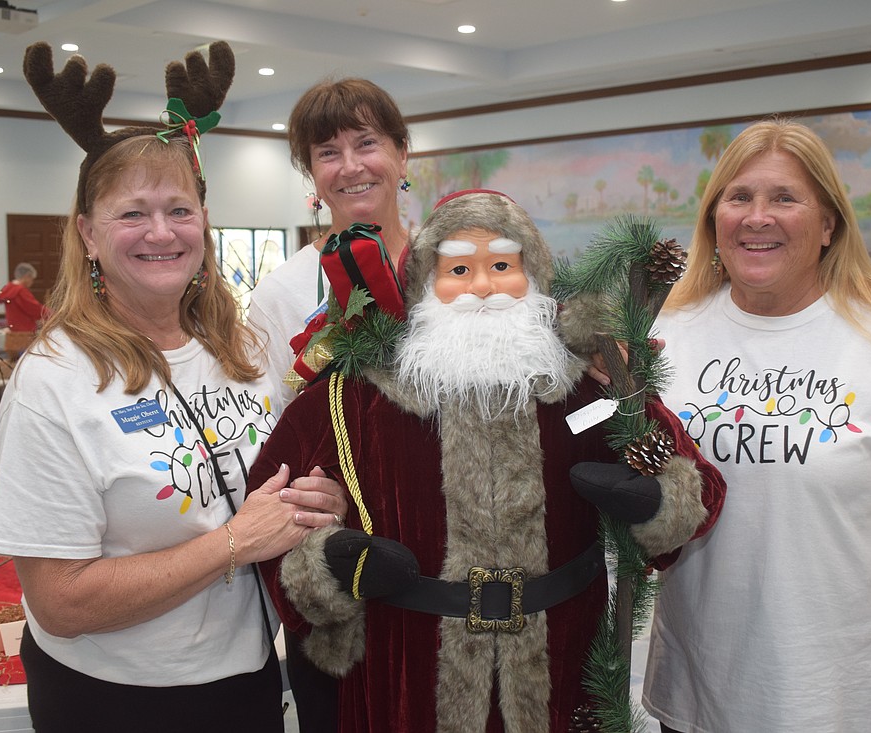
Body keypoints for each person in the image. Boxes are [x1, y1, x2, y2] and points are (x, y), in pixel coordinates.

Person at [248, 190, 726, 732]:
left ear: (535, 277)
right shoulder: (354, 397)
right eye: (458, 268)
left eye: (502, 265)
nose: (481, 287)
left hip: (563, 668)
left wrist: (657, 498)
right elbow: (270, 503)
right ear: (425, 283)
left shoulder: (586, 384)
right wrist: (330, 561)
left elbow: (698, 488)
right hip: (409, 672)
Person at [0, 41, 347, 732]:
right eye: (132, 213)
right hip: (115, 697)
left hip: (246, 677)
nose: (161, 231)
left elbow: (267, 484)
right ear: (88, 234)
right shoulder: (53, 381)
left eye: (179, 209)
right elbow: (60, 601)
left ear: (204, 222)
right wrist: (236, 542)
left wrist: (308, 501)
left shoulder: (241, 347)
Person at [641, 118, 871, 733]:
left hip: (853, 697)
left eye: (785, 198)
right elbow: (596, 435)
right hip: (699, 690)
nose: (759, 217)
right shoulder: (664, 334)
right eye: (739, 197)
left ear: (829, 224)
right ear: (713, 219)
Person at [246, 75, 412, 730]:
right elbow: (273, 448)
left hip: (456, 573)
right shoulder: (283, 293)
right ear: (310, 174)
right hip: (342, 576)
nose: (350, 166)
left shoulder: (461, 266)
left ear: (403, 152)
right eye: (326, 152)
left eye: (366, 143)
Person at [0, 262, 48, 358]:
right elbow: (34, 309)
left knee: (14, 361)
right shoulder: (20, 291)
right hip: (25, 333)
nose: (31, 282)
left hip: (13, 331)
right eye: (31, 279)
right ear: (27, 276)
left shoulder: (8, 288)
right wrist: (53, 313)